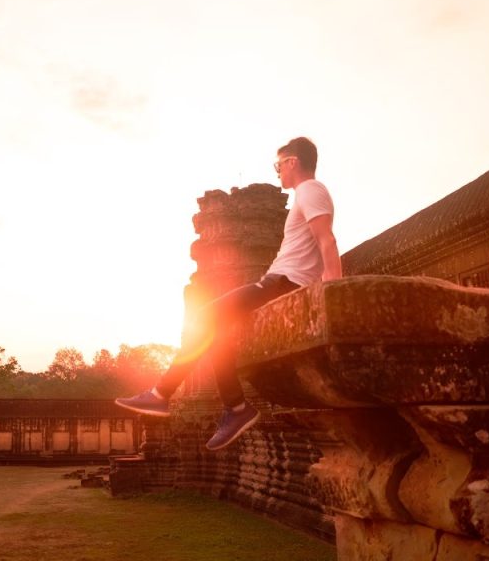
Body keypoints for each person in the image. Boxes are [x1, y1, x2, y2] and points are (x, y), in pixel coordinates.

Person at [115, 136, 343, 450]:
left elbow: (326, 240)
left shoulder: (310, 190)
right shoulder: (306, 194)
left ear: (293, 161)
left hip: (283, 282)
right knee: (214, 334)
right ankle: (228, 406)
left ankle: (171, 397)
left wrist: (331, 291)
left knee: (204, 316)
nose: (277, 171)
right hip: (279, 280)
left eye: (279, 164)